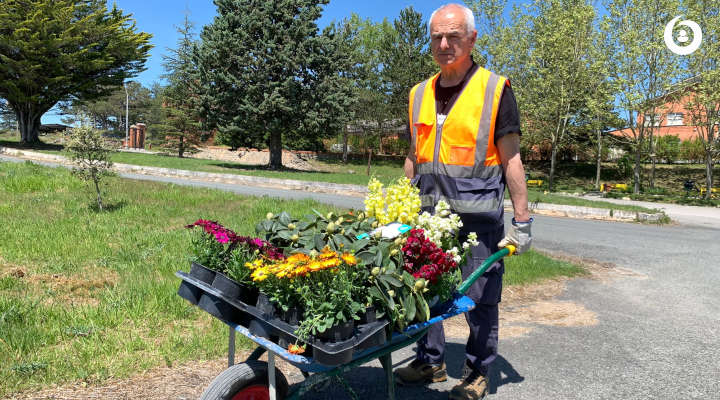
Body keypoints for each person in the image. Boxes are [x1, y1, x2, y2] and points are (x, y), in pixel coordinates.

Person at [395, 3, 532, 400]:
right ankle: (430, 359)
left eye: (453, 36)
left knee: (481, 300)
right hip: (428, 218)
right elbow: (413, 155)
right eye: (437, 36)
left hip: (479, 219)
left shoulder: (494, 89)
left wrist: (522, 222)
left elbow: (512, 158)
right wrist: (400, 206)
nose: (444, 44)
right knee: (421, 290)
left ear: (471, 39)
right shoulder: (418, 93)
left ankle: (477, 372)